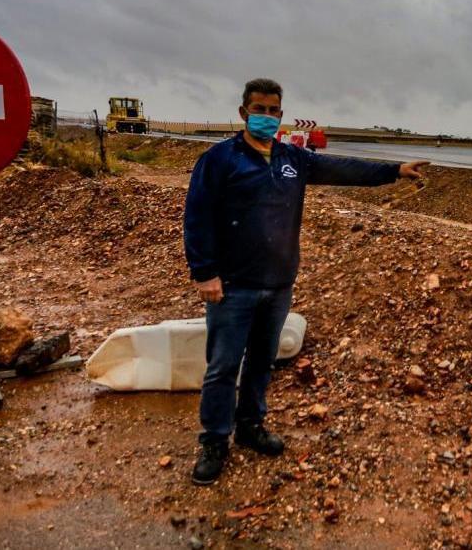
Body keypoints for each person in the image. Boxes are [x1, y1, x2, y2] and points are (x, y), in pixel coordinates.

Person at [183, 78, 427, 486]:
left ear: (280, 115)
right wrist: (204, 273)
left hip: (278, 284)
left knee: (262, 362)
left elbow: (344, 169)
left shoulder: (291, 158)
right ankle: (214, 440)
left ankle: (250, 426)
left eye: (273, 110)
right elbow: (197, 216)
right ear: (244, 113)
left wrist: (394, 171)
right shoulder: (220, 159)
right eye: (258, 109)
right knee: (223, 366)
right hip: (233, 286)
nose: (266, 116)